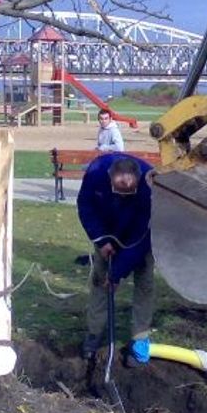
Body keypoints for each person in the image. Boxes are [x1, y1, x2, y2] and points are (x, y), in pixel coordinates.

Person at [77, 153, 154, 366]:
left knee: (145, 282)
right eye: (119, 188)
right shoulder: (96, 173)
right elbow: (85, 206)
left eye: (129, 190)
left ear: (137, 180)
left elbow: (143, 233)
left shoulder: (149, 182)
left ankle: (140, 338)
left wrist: (118, 272)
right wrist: (101, 240)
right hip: (106, 230)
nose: (124, 193)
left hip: (139, 235)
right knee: (100, 281)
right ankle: (94, 333)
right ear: (110, 178)